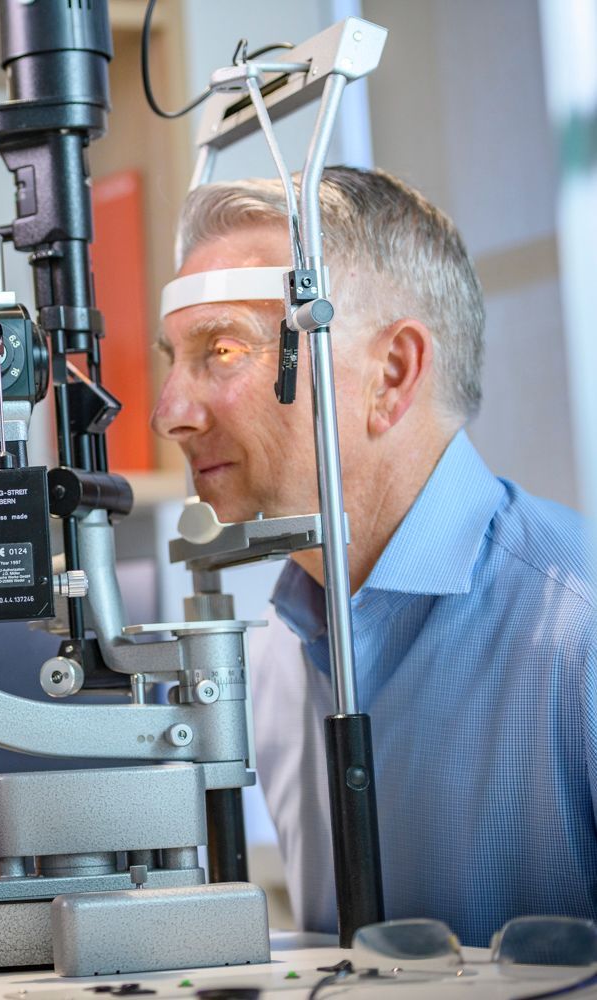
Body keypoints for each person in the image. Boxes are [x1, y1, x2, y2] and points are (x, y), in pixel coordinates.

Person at [150, 166, 596, 946]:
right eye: (173, 359)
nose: (170, 413)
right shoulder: (284, 651)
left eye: (222, 349)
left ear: (390, 376)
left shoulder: (578, 629)